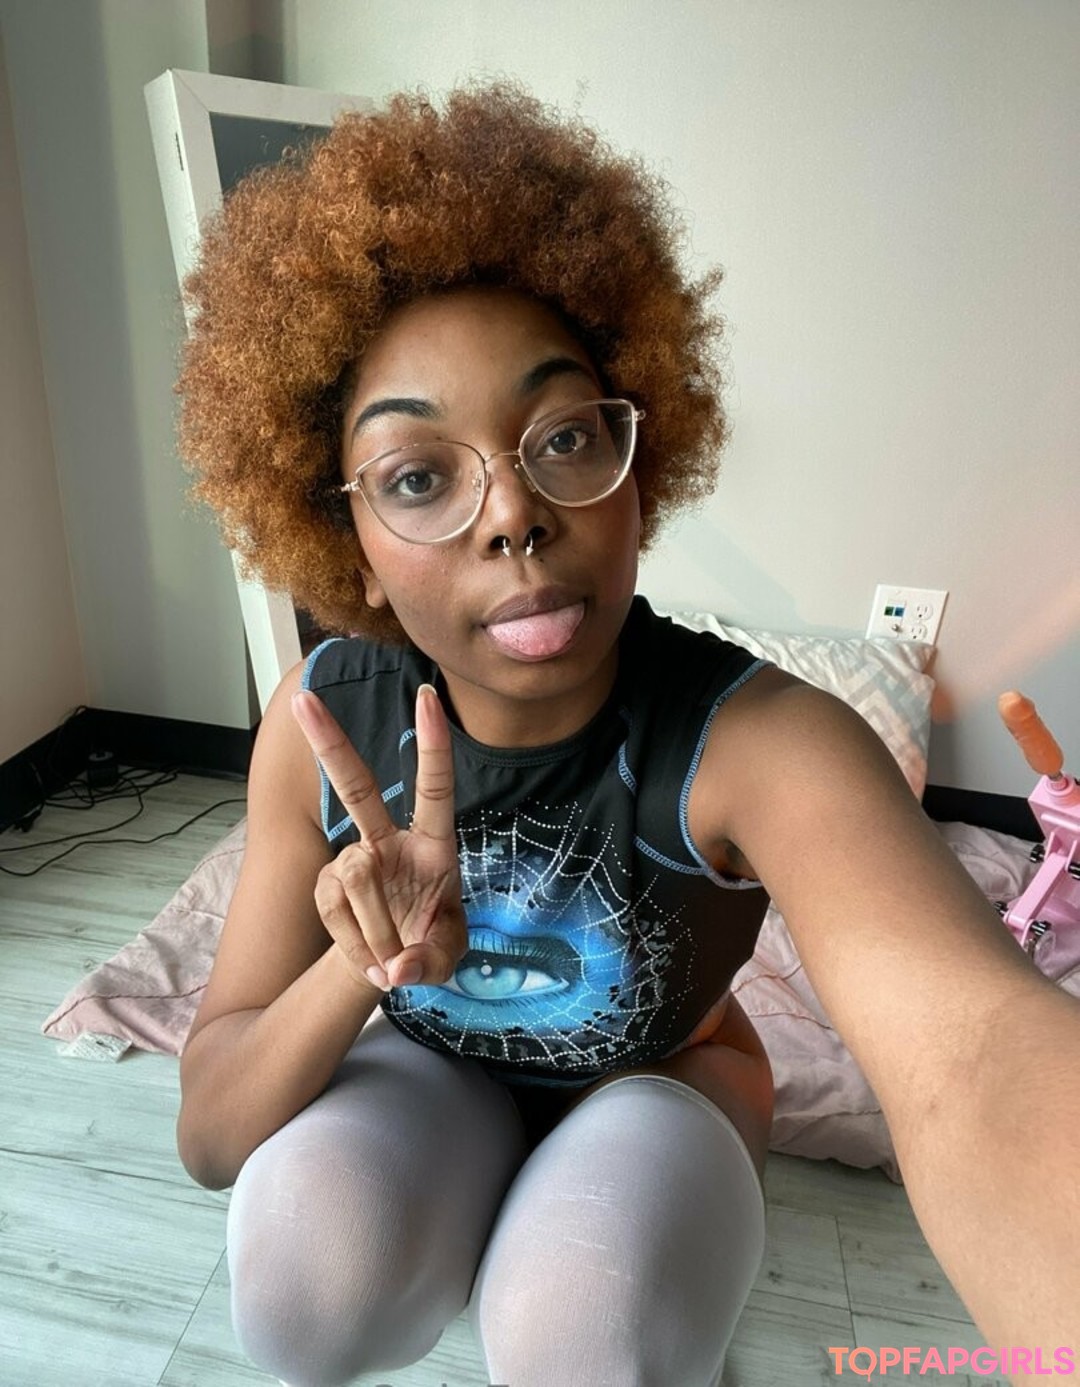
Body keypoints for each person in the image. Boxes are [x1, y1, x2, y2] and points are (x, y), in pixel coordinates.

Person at [174, 83, 1080, 1387]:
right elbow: (213, 1133)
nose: (513, 514)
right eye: (420, 475)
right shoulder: (327, 726)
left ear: (634, 474)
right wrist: (362, 967)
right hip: (431, 1070)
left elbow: (978, 1060)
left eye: (561, 437)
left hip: (662, 1083)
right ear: (348, 545)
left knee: (585, 1332)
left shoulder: (764, 742)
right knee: (304, 1289)